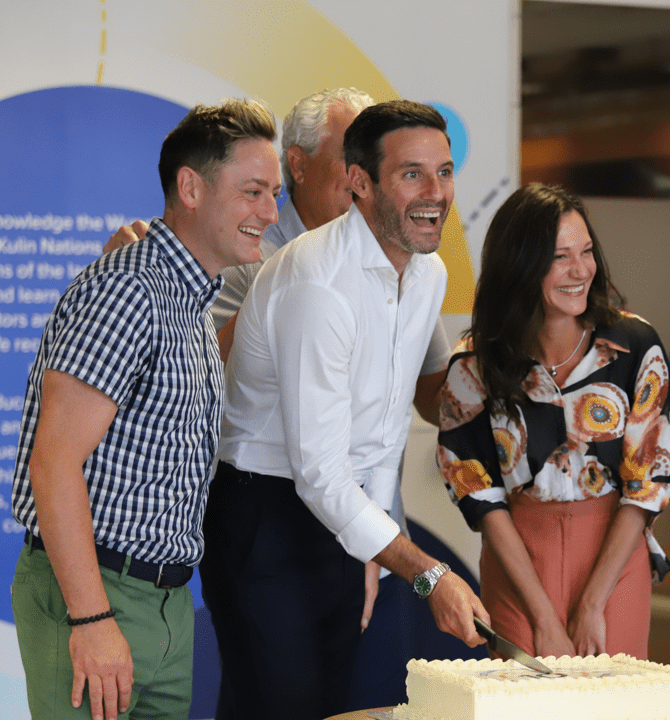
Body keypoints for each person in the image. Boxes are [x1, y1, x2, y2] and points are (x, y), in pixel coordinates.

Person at [106, 87, 452, 632]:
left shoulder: (417, 268)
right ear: (303, 165)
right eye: (357, 155)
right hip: (268, 525)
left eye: (440, 171)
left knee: (367, 683)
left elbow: (406, 417)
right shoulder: (250, 258)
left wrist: (378, 542)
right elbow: (193, 388)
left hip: (373, 532)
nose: (367, 172)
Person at [201, 100, 487, 720]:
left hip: (342, 513)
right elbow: (320, 474)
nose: (435, 193)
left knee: (327, 708)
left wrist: (371, 548)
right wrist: (423, 571)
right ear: (360, 181)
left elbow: (383, 436)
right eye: (412, 174)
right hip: (265, 514)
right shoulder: (315, 280)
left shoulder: (429, 274)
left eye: (444, 172)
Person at [9, 98, 282, 720]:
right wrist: (92, 618)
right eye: (253, 192)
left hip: (166, 602)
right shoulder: (129, 289)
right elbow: (53, 464)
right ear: (190, 187)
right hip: (98, 595)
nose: (269, 212)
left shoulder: (191, 301)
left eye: (274, 194)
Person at [436, 183, 670, 659]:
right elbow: (480, 497)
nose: (581, 270)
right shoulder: (474, 364)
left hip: (614, 557)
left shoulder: (635, 345)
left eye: (586, 251)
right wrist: (543, 618)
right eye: (560, 257)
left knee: (615, 696)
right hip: (520, 564)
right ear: (520, 265)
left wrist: (592, 604)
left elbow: (650, 481)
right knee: (523, 695)